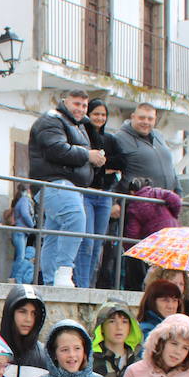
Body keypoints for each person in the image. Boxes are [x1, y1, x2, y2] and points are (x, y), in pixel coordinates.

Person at [28, 89, 105, 287]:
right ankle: (63, 271)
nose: (80, 109)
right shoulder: (52, 120)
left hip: (67, 184)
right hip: (54, 181)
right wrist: (88, 156)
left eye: (84, 105)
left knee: (54, 233)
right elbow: (55, 149)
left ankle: (50, 281)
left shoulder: (76, 125)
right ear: (64, 102)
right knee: (75, 218)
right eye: (76, 104)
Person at [79, 99, 124, 289]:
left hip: (105, 195)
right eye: (96, 113)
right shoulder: (82, 136)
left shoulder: (110, 139)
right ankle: (82, 284)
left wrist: (99, 163)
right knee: (87, 242)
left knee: (98, 244)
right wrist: (104, 166)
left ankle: (90, 283)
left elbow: (122, 162)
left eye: (103, 115)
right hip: (87, 193)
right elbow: (82, 161)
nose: (99, 118)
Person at [122, 177, 184, 290]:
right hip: (174, 232)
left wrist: (129, 249)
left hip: (156, 240)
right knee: (173, 266)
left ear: (132, 192)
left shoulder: (134, 205)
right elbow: (176, 200)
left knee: (158, 268)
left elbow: (133, 233)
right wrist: (173, 216)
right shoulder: (156, 192)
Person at [112, 103, 179, 194]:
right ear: (133, 117)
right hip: (138, 202)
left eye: (150, 119)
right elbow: (112, 173)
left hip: (166, 201)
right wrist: (116, 201)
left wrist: (179, 191)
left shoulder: (158, 136)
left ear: (155, 120)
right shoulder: (119, 138)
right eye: (141, 118)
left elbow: (171, 167)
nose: (146, 122)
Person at [10, 184, 38, 285]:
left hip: (21, 232)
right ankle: (13, 278)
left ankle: (14, 278)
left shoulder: (21, 200)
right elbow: (25, 214)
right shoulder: (25, 200)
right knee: (20, 257)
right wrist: (32, 226)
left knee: (20, 256)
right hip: (20, 231)